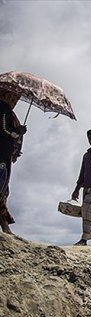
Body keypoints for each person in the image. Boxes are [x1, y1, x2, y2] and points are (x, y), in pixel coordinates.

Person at [0, 90, 27, 234]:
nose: (15, 99)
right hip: (2, 155)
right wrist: (18, 132)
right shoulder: (3, 107)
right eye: (14, 96)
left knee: (3, 189)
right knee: (1, 186)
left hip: (5, 155)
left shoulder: (7, 110)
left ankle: (5, 227)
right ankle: (5, 227)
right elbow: (4, 129)